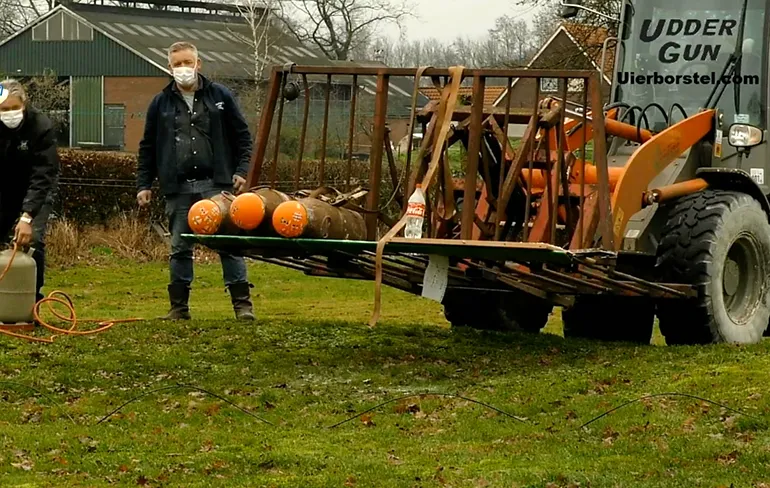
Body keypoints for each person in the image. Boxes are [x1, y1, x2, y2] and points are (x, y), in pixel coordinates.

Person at [136, 41, 255, 321]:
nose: (183, 69)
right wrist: (144, 184)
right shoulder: (160, 103)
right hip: (177, 187)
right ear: (170, 68)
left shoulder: (220, 96)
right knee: (179, 247)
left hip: (216, 184)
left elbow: (243, 137)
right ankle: (179, 307)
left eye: (188, 63)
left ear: (198, 64)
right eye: (177, 64)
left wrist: (241, 170)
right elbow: (147, 147)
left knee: (228, 244)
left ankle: (242, 305)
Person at [0, 79, 59, 303]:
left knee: (32, 240)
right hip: (4, 189)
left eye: (15, 108)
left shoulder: (41, 126)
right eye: (4, 110)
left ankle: (31, 301)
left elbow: (44, 173)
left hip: (37, 189)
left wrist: (27, 216)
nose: (10, 113)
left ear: (24, 105)